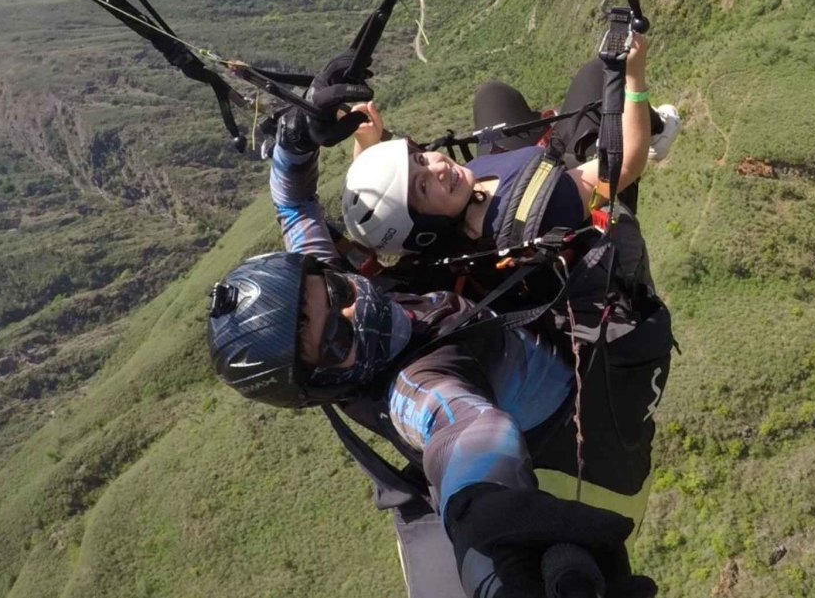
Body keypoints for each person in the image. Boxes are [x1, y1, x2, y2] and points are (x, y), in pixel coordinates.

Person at [208, 50, 676, 598]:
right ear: (322, 385)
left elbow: (294, 208)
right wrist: (489, 548)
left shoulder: (335, 295)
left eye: (335, 292)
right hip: (580, 449)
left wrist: (300, 132)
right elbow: (466, 438)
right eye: (334, 339)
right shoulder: (417, 386)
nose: (352, 311)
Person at [341, 34, 682, 262]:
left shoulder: (430, 250)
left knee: (492, 95)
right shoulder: (536, 210)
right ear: (426, 230)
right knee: (602, 75)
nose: (438, 166)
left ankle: (551, 138)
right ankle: (657, 131)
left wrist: (367, 148)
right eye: (422, 185)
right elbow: (624, 168)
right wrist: (634, 79)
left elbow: (376, 233)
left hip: (503, 184)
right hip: (557, 185)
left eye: (419, 158)